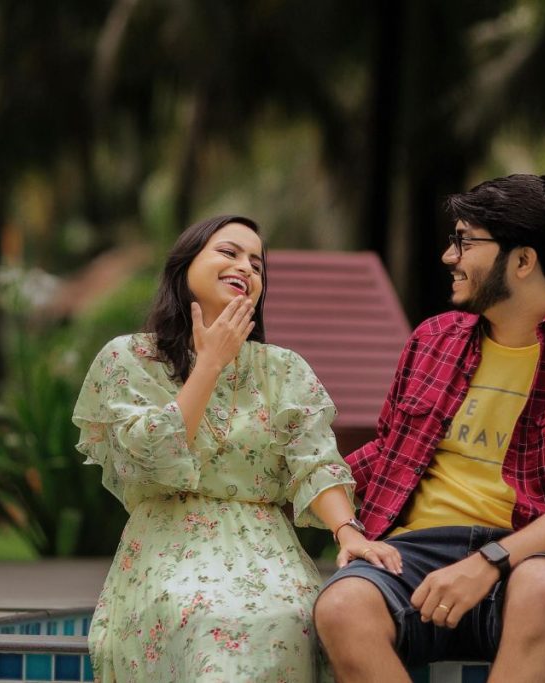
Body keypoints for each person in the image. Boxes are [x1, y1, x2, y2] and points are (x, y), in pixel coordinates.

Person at [313, 175, 545, 683]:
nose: (450, 257)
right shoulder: (433, 339)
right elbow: (387, 453)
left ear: (523, 260)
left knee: (541, 587)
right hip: (416, 551)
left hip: (535, 553)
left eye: (465, 242)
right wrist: (295, 485)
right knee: (341, 605)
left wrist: (490, 561)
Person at [72, 215, 402, 683]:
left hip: (267, 546)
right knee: (207, 617)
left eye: (257, 263)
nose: (246, 268)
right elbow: (149, 459)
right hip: (169, 543)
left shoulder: (284, 368)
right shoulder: (129, 358)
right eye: (228, 252)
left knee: (293, 619)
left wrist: (348, 532)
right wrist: (209, 363)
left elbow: (315, 463)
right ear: (184, 266)